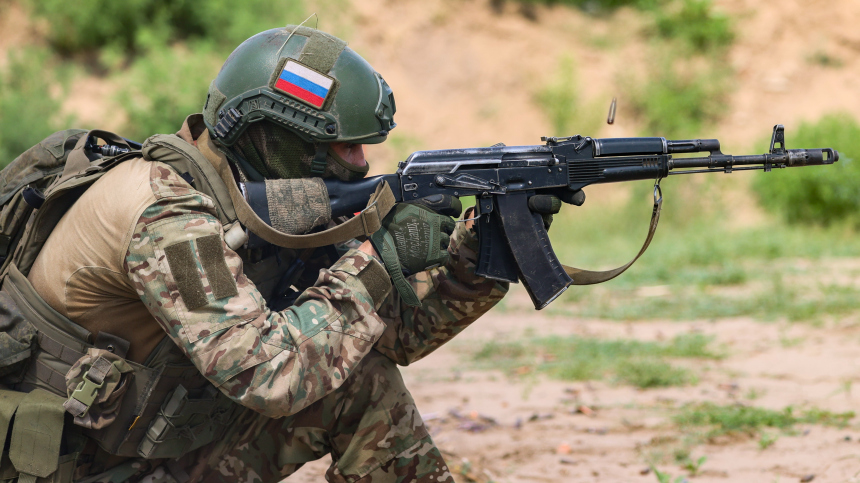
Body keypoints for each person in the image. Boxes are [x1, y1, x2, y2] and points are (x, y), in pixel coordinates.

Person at [1, 26, 510, 482]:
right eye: (345, 148)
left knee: (362, 383)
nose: (362, 163)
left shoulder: (262, 201)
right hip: (79, 467)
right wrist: (379, 258)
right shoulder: (165, 218)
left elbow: (396, 336)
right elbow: (271, 375)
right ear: (277, 140)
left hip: (152, 448)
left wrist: (479, 251)